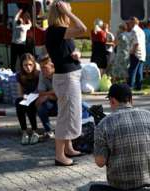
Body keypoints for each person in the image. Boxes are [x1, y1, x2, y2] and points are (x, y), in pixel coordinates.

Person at [94, 83, 150, 190]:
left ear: (112, 100)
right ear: (131, 99)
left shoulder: (104, 124)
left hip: (120, 186)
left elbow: (100, 162)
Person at [46, 0, 87, 166]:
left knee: (71, 114)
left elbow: (65, 50)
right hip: (66, 78)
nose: (71, 12)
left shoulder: (60, 32)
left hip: (69, 76)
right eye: (69, 10)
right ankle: (59, 156)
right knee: (66, 115)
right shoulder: (57, 30)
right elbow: (83, 28)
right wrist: (68, 13)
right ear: (62, 12)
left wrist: (75, 53)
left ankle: (68, 147)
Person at [15, 53, 39, 145]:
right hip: (27, 97)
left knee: (30, 105)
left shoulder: (38, 74)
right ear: (22, 66)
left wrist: (31, 96)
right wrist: (24, 96)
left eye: (30, 64)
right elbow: (20, 92)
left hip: (37, 97)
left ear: (34, 64)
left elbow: (40, 89)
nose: (28, 67)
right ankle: (24, 131)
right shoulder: (19, 75)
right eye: (25, 65)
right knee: (18, 102)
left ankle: (34, 131)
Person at [36, 54, 57, 139]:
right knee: (40, 105)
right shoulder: (42, 74)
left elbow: (60, 94)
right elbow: (41, 92)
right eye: (41, 68)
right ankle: (49, 131)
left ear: (52, 66)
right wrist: (51, 94)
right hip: (52, 101)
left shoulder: (59, 74)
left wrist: (47, 96)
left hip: (64, 102)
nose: (42, 70)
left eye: (45, 67)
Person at [127, 17, 146, 90]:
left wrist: (132, 51)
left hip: (136, 53)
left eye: (130, 22)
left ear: (133, 23)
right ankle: (139, 86)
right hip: (142, 53)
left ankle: (130, 86)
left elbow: (136, 42)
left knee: (132, 70)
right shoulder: (141, 30)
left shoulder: (134, 31)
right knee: (139, 71)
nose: (129, 24)